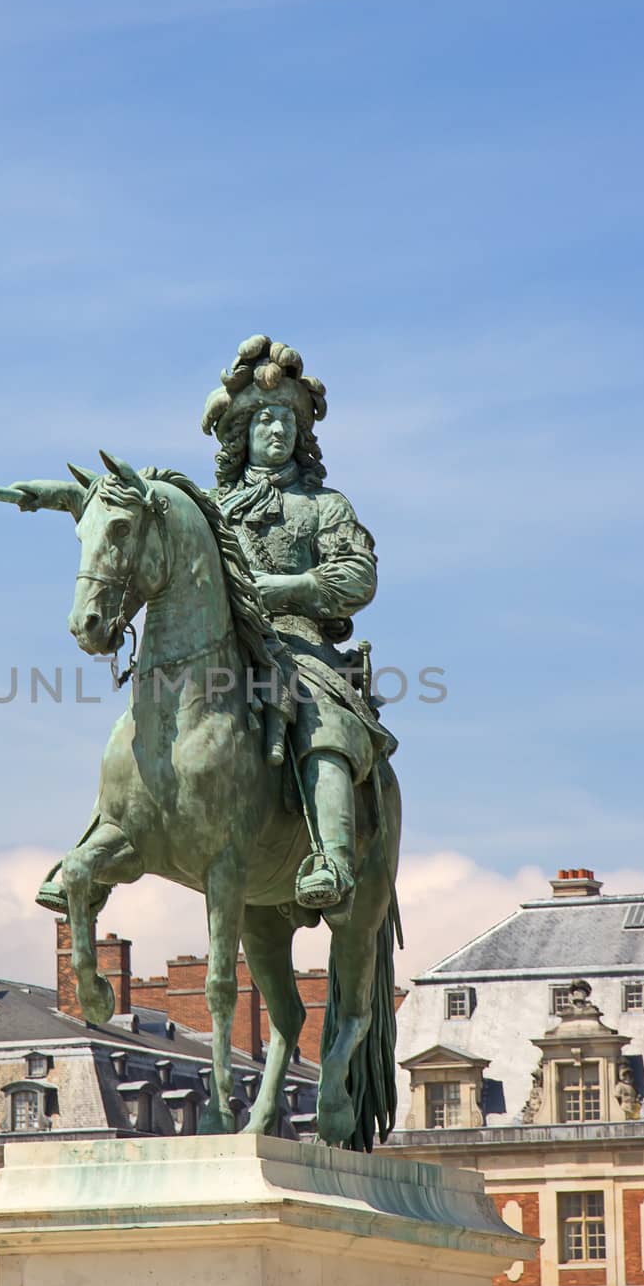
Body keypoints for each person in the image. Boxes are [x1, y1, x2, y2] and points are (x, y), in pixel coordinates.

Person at [202, 334, 395, 920]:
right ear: (242, 433)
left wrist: (282, 589)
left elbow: (358, 577)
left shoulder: (326, 506)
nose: (277, 429)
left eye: (286, 418)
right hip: (222, 647)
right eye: (263, 418)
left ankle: (331, 856)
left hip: (300, 646)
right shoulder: (206, 509)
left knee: (322, 724)